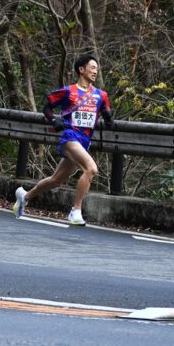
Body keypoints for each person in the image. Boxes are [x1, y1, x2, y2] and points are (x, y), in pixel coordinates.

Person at [13, 54, 114, 226]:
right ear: (81, 70)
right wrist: (53, 120)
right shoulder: (68, 91)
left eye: (97, 68)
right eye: (92, 67)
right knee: (91, 169)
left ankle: (25, 196)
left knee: (56, 179)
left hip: (84, 141)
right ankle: (75, 211)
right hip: (70, 136)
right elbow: (47, 108)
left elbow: (108, 119)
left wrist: (108, 116)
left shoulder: (101, 95)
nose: (95, 71)